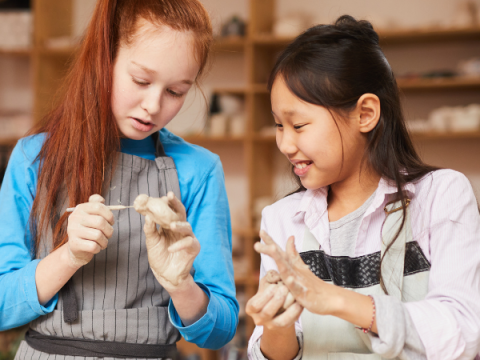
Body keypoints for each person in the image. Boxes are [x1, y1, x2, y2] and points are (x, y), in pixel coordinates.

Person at [0, 0, 238, 359]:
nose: (154, 105)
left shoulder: (198, 170)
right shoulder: (33, 158)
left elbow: (220, 332)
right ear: (105, 58)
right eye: (141, 80)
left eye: (176, 91)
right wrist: (69, 256)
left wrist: (182, 286)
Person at [246, 15, 480, 360]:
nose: (285, 143)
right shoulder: (281, 219)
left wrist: (338, 300)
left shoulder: (441, 196)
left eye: (298, 124)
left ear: (366, 113)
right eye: (279, 125)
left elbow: (463, 332)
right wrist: (275, 325)